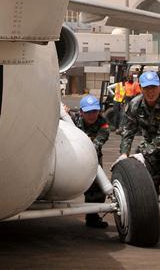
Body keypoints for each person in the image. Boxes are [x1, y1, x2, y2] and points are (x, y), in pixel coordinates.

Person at [118, 70, 160, 238]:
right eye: (147, 88)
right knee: (148, 184)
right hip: (151, 146)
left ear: (159, 87)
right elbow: (128, 131)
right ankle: (150, 217)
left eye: (154, 88)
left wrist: (143, 153)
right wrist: (124, 153)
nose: (150, 92)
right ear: (141, 88)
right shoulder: (135, 105)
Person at [69, 95, 110, 229]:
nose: (92, 115)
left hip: (93, 157)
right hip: (71, 156)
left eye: (95, 111)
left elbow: (97, 144)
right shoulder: (73, 119)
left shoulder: (103, 123)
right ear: (81, 112)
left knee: (98, 188)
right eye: (88, 112)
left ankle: (92, 217)